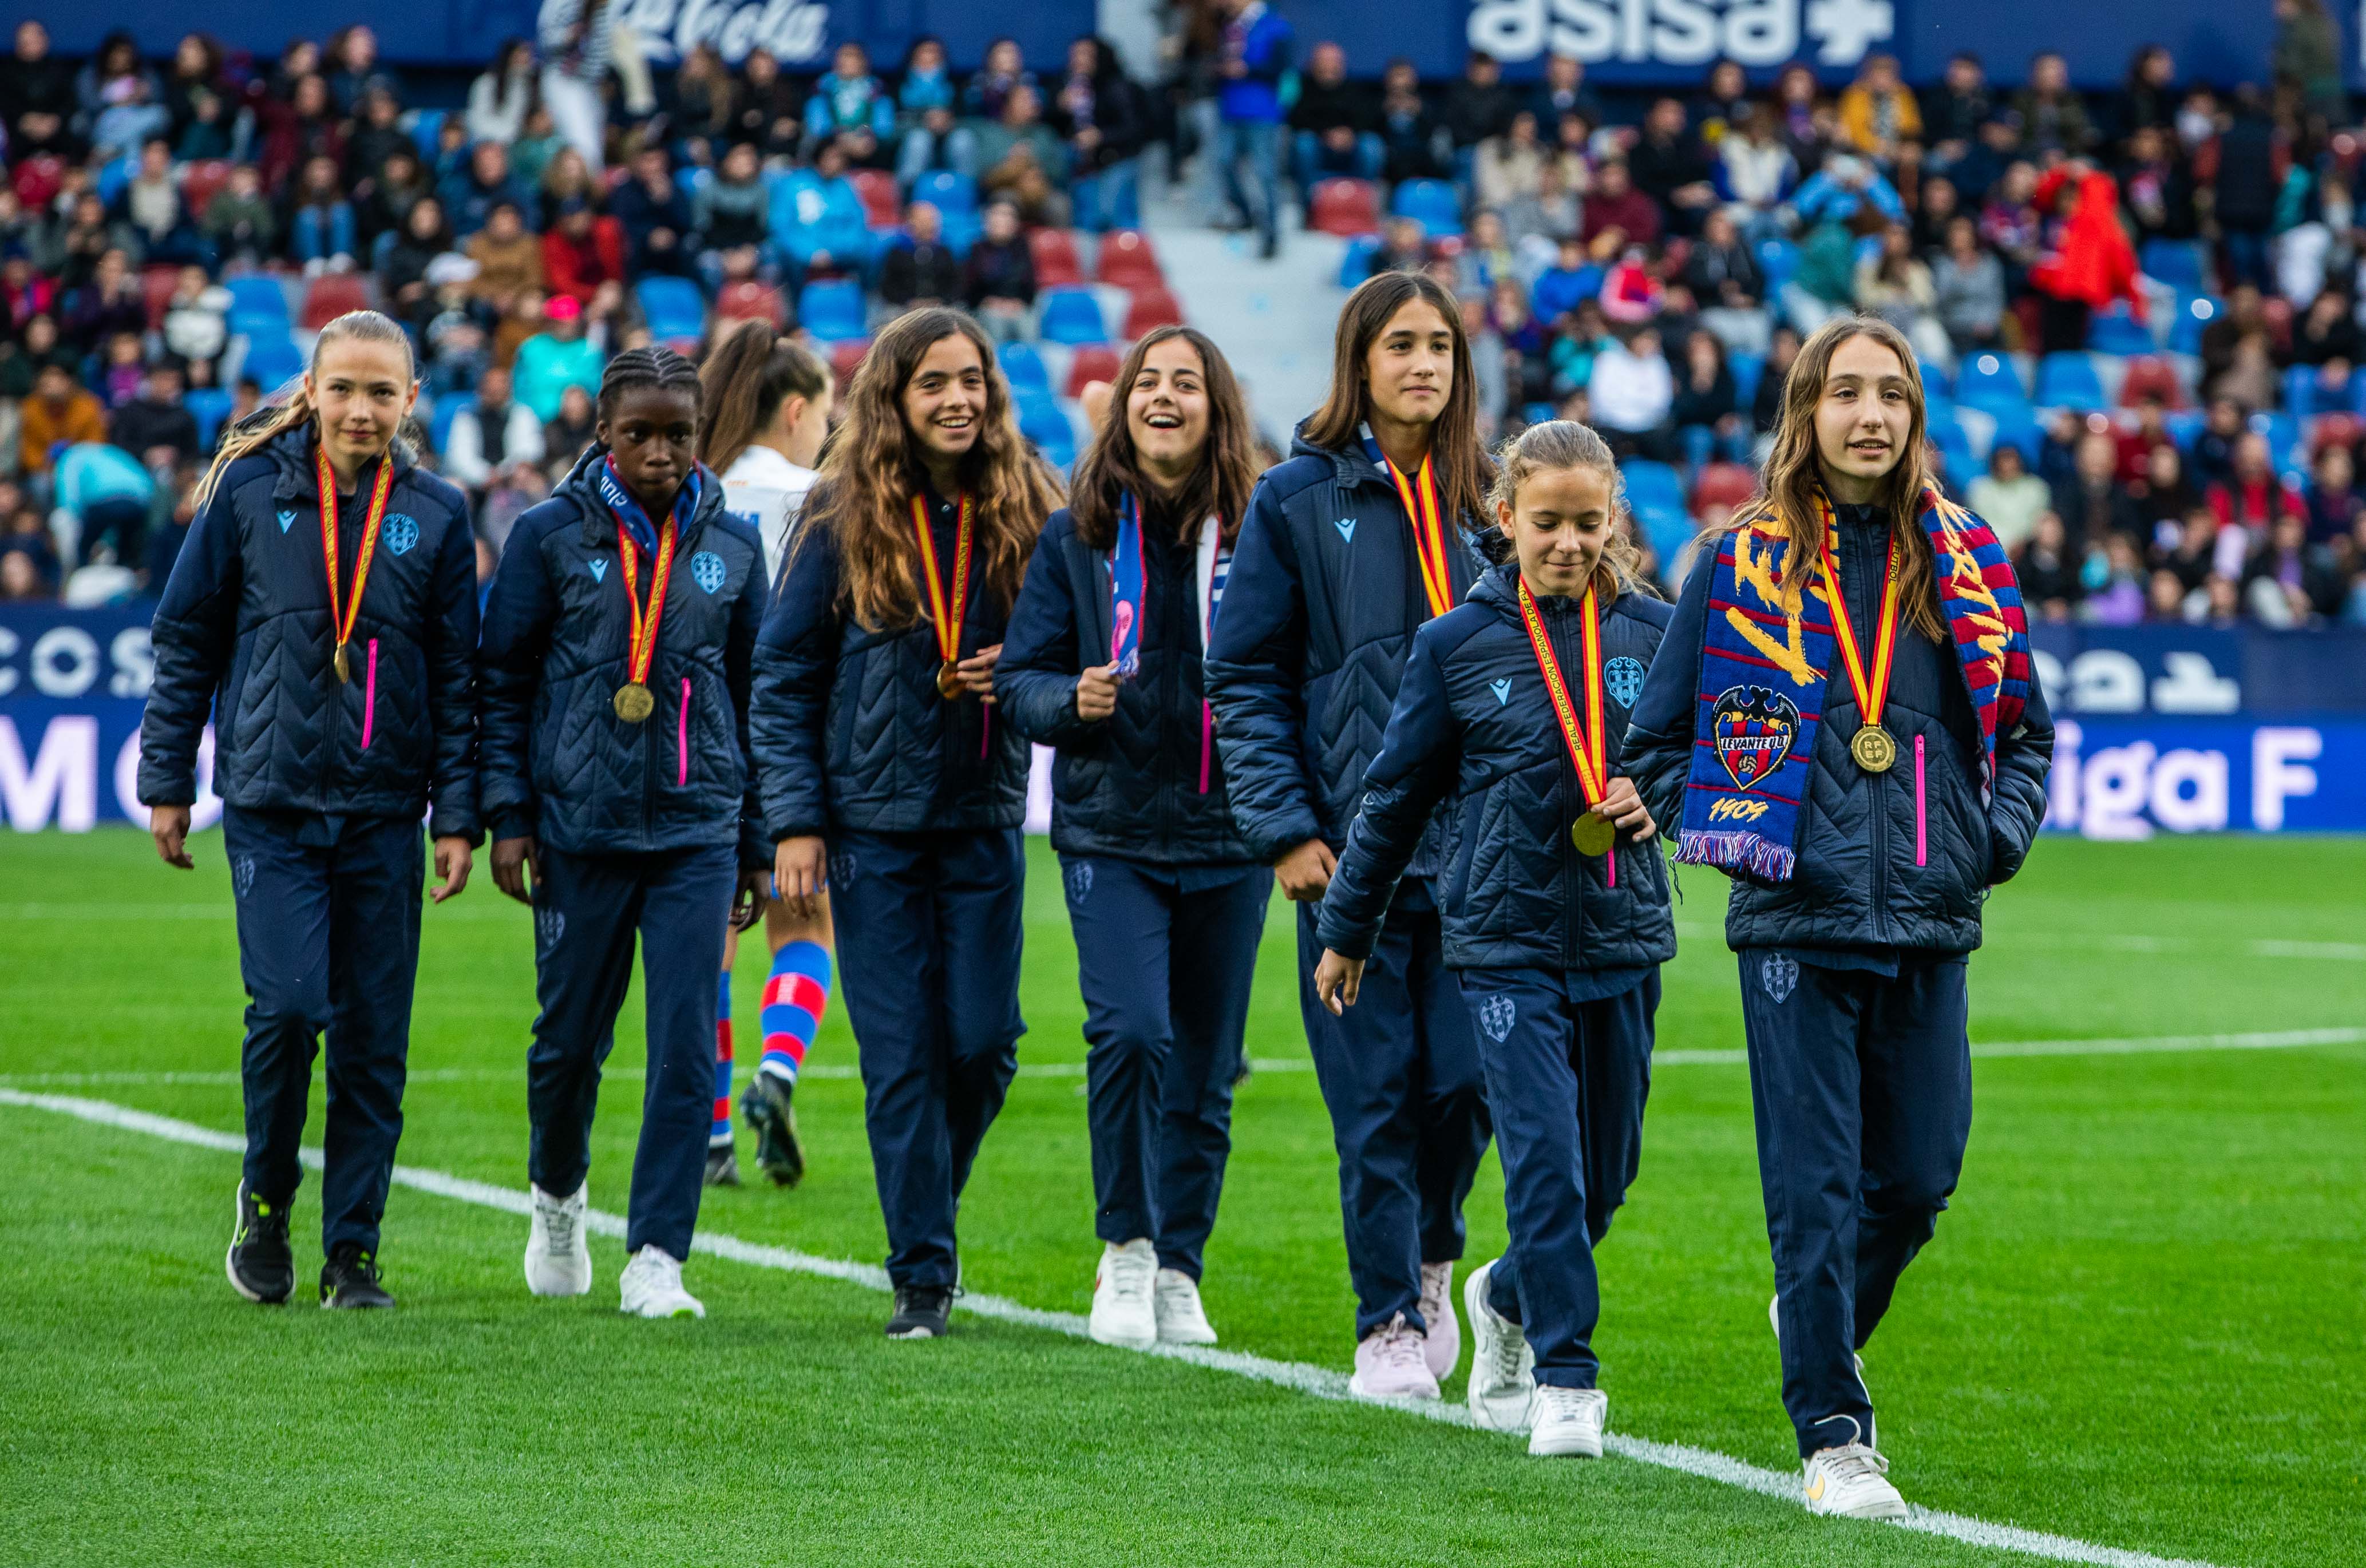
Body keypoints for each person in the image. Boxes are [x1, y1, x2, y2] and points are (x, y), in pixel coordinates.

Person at [1623, 316, 2054, 1520]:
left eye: (1893, 394)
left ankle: (1811, 1316)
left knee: (1917, 1179)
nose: (1871, 415)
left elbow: (2023, 731)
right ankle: (1833, 1434)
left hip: (1928, 913)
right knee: (1812, 1188)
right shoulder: (1737, 559)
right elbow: (1657, 742)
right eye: (1847, 392)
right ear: (1806, 409)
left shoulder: (1966, 561)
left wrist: (1992, 840)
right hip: (1796, 926)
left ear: (1916, 415)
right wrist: (1737, 845)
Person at [1311, 419, 1672, 1455]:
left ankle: (1505, 1296)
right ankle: (1566, 1377)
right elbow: (1391, 797)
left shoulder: (1652, 635)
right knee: (1545, 1164)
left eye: (1586, 523)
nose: (1567, 542)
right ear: (1504, 518)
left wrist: (1663, 794)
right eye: (1546, 522)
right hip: (1500, 941)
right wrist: (1348, 929)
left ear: (1612, 523)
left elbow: (1701, 766)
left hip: (1619, 933)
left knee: (1605, 1176)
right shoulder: (1454, 644)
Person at [138, 310, 481, 1310]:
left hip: (384, 809)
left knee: (375, 1039)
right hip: (272, 802)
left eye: (383, 392)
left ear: (412, 400)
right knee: (289, 1010)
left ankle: (353, 1254)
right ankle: (269, 1202)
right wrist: (169, 778)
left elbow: (460, 676)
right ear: (311, 391)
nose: (362, 410)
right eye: (344, 389)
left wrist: (456, 815)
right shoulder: (247, 490)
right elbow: (187, 639)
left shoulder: (439, 512)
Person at [1205, 271, 1494, 1398]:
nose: (1423, 363)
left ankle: (1433, 1261)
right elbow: (1247, 676)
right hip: (1348, 854)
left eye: (1440, 345)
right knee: (1373, 1091)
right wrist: (1282, 826)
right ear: (1358, 363)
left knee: (1466, 1086)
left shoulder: (1493, 499)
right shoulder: (1293, 498)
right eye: (1400, 345)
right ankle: (1383, 1321)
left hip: (1481, 856)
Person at [751, 308, 1062, 1339]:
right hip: (868, 827)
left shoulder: (1028, 500)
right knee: (899, 1053)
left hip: (980, 816)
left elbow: (1072, 643)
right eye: (933, 382)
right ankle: (920, 1276)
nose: (957, 399)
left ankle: (926, 1200)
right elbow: (784, 674)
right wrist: (794, 823)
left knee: (983, 1046)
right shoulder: (839, 511)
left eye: (971, 379)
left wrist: (1020, 665)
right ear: (893, 396)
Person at [478, 346, 772, 1320]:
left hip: (697, 828)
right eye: (638, 433)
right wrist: (510, 818)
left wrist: (755, 840)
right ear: (602, 432)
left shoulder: (734, 545)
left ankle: (657, 1255)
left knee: (688, 1048)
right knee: (567, 1045)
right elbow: (503, 680)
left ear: (700, 436)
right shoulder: (548, 537)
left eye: (677, 435)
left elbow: (754, 695)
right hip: (578, 828)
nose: (658, 453)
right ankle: (557, 1201)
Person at [996, 327, 1269, 1349]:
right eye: (1148, 381)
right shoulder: (1075, 534)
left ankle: (1180, 1265)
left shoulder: (1258, 529)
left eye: (1185, 382)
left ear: (1215, 410)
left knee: (1204, 1065)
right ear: (1122, 409)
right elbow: (1018, 680)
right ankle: (1123, 1248)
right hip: (1108, 830)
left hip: (1231, 833)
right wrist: (1070, 697)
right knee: (1130, 1035)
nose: (1163, 396)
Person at [697, 322, 840, 1188]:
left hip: (702, 743)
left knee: (710, 937)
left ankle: (712, 1136)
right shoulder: (817, 496)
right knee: (805, 926)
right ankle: (776, 1072)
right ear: (795, 411)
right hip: (795, 744)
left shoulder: (696, 493)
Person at [1212, 0, 1295, 260]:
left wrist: (1248, 69)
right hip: (1230, 109)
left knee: (1265, 172)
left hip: (1262, 111)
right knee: (1223, 162)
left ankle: (1271, 233)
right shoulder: (1229, 26)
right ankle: (1246, 213)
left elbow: (1282, 67)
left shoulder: (1276, 26)